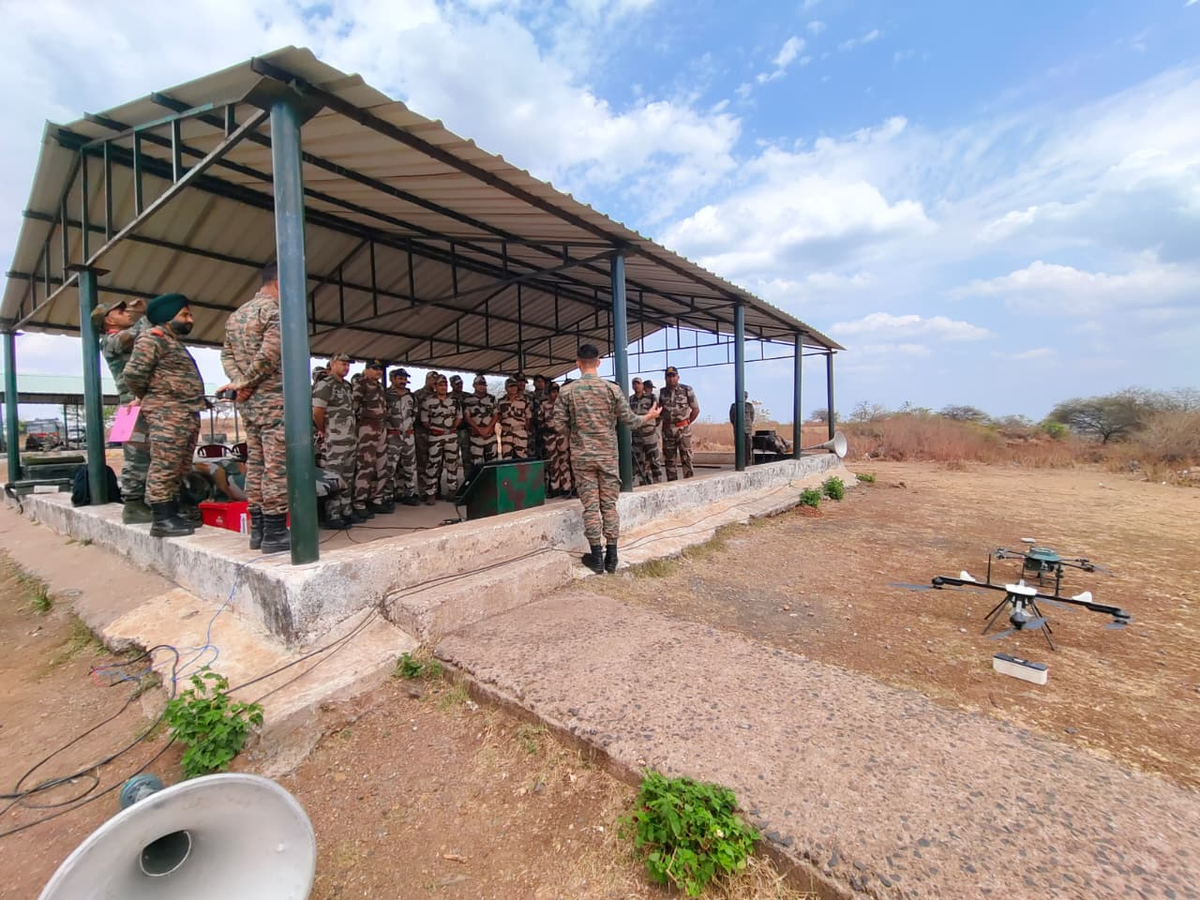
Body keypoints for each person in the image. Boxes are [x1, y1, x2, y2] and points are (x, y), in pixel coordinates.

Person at [553, 344, 662, 574]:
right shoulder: (612, 390)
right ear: (599, 362)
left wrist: (577, 433)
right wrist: (650, 416)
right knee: (609, 505)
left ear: (577, 363)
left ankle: (597, 558)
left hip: (582, 458)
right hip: (608, 457)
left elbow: (559, 426)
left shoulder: (567, 391)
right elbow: (631, 421)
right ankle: (612, 557)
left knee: (591, 507)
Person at [123, 293, 206, 538]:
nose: (190, 319)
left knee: (179, 465)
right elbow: (133, 374)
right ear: (167, 318)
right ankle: (162, 518)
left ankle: (174, 511)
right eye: (184, 315)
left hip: (184, 412)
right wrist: (150, 396)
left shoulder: (172, 342)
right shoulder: (153, 338)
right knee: (165, 464)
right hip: (167, 412)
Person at [219, 263, 288, 553]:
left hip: (249, 404)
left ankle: (258, 530)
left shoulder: (236, 317)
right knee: (277, 467)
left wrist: (240, 383)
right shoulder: (274, 312)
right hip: (273, 401)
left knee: (257, 465)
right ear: (280, 282)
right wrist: (246, 381)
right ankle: (274, 533)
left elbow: (226, 355)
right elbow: (271, 354)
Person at [96, 299, 152, 523]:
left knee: (148, 455)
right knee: (135, 457)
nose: (125, 312)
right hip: (130, 406)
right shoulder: (110, 341)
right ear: (109, 319)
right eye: (120, 310)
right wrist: (144, 313)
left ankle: (146, 501)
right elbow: (138, 333)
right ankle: (133, 505)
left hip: (137, 405)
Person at [312, 353, 356, 529]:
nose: (346, 367)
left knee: (347, 476)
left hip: (349, 438)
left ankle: (346, 511)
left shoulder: (346, 386)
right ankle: (333, 515)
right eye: (343, 363)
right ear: (333, 364)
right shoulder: (325, 384)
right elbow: (317, 411)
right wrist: (324, 430)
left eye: (348, 365)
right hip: (334, 439)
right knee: (334, 477)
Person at [352, 360, 390, 521]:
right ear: (366, 370)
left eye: (380, 369)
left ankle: (377, 499)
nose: (378, 371)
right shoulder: (361, 384)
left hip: (381, 427)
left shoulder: (380, 387)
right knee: (365, 466)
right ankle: (359, 502)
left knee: (382, 465)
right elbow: (353, 407)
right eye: (374, 369)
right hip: (366, 427)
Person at [421, 374, 462, 504]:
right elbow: (424, 420)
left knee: (452, 464)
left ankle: (452, 491)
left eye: (445, 385)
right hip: (435, 436)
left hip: (451, 435)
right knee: (433, 464)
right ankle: (431, 493)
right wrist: (437, 428)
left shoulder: (454, 401)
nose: (443, 387)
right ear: (435, 386)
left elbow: (459, 417)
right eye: (440, 385)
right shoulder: (428, 401)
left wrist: (450, 428)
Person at [386, 368, 421, 507]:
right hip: (392, 437)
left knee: (409, 467)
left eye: (404, 378)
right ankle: (389, 495)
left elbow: (415, 414)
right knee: (390, 468)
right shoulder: (386, 395)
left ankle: (409, 493)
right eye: (400, 378)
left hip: (408, 436)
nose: (403, 381)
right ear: (393, 379)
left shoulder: (411, 396)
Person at [658, 365, 699, 480]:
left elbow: (695, 409)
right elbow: (659, 411)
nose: (671, 379)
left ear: (678, 377)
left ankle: (689, 483)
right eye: (668, 376)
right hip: (667, 431)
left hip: (683, 430)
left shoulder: (687, 390)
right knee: (669, 461)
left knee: (686, 458)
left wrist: (687, 422)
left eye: (673, 376)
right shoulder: (662, 393)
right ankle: (672, 484)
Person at [541, 382, 573, 497]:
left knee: (564, 462)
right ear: (549, 393)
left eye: (556, 392)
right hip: (550, 436)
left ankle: (566, 487)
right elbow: (540, 421)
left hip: (562, 435)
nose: (555, 394)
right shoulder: (544, 405)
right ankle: (555, 488)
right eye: (552, 392)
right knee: (553, 463)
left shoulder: (565, 405)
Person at [631, 378, 663, 485]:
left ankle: (658, 484)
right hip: (636, 436)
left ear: (642, 386)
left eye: (638, 384)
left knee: (654, 461)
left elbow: (658, 414)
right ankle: (644, 484)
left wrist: (650, 425)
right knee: (638, 463)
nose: (636, 386)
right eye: (634, 384)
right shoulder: (630, 400)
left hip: (650, 436)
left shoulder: (651, 398)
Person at [462, 374, 498, 467]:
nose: (481, 387)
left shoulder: (492, 398)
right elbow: (467, 417)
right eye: (479, 384)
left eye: (483, 385)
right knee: (476, 464)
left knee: (493, 463)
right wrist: (478, 428)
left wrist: (488, 428)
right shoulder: (467, 400)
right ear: (474, 385)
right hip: (475, 436)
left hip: (490, 436)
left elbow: (496, 415)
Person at [412, 370, 438, 498]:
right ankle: (423, 491)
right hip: (421, 432)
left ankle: (434, 490)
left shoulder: (439, 395)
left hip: (437, 433)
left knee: (435, 462)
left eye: (436, 380)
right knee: (422, 462)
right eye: (432, 379)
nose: (434, 382)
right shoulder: (418, 394)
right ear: (427, 379)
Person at [497, 376, 532, 458]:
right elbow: (498, 416)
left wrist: (525, 430)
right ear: (506, 388)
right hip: (506, 433)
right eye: (510, 386)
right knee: (507, 458)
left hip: (520, 432)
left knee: (522, 457)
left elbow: (528, 417)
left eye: (515, 386)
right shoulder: (501, 401)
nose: (513, 388)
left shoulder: (524, 400)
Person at [729, 391, 756, 466]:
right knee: (738, 446)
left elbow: (752, 417)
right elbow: (732, 418)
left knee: (748, 446)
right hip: (737, 430)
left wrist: (748, 425)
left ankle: (748, 463)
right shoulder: (734, 406)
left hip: (747, 430)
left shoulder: (749, 406)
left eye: (744, 397)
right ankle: (739, 462)